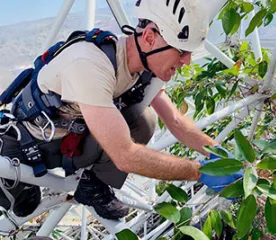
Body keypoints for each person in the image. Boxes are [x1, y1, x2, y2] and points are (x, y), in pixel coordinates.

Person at [0, 0, 242, 220]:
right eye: (182, 51)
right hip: (29, 145)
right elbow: (126, 155)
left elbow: (176, 121)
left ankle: (93, 185)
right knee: (21, 207)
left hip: (72, 141)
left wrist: (216, 154)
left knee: (144, 119)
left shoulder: (145, 70)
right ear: (149, 37)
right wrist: (200, 172)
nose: (187, 60)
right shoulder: (90, 63)